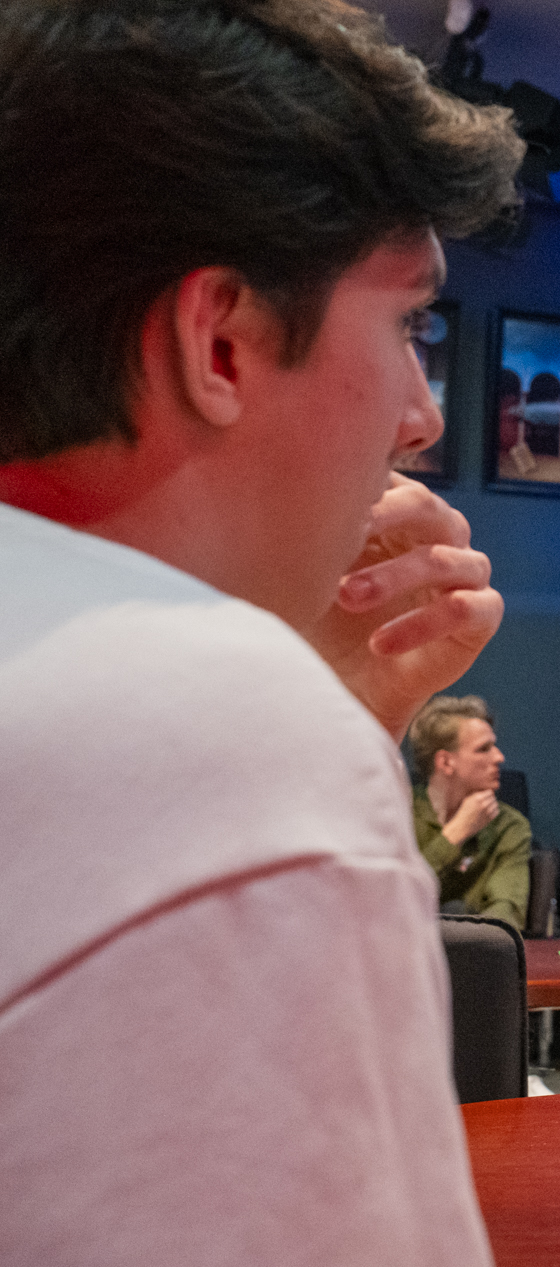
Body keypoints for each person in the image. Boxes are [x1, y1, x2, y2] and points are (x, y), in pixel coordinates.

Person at [0, 1, 524, 1262]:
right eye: (407, 324)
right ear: (222, 341)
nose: (419, 416)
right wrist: (292, 731)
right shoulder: (216, 723)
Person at [410, 694, 532, 928]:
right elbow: (389, 900)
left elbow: (505, 917)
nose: (499, 757)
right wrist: (453, 835)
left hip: (476, 949)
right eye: (483, 749)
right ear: (446, 762)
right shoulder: (399, 813)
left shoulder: (509, 825)